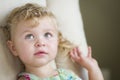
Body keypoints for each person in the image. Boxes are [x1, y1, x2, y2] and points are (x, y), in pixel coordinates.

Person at [3, 3, 104, 80]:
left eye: (47, 35)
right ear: (13, 48)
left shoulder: (67, 75)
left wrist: (92, 67)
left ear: (57, 41)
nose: (40, 43)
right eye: (29, 36)